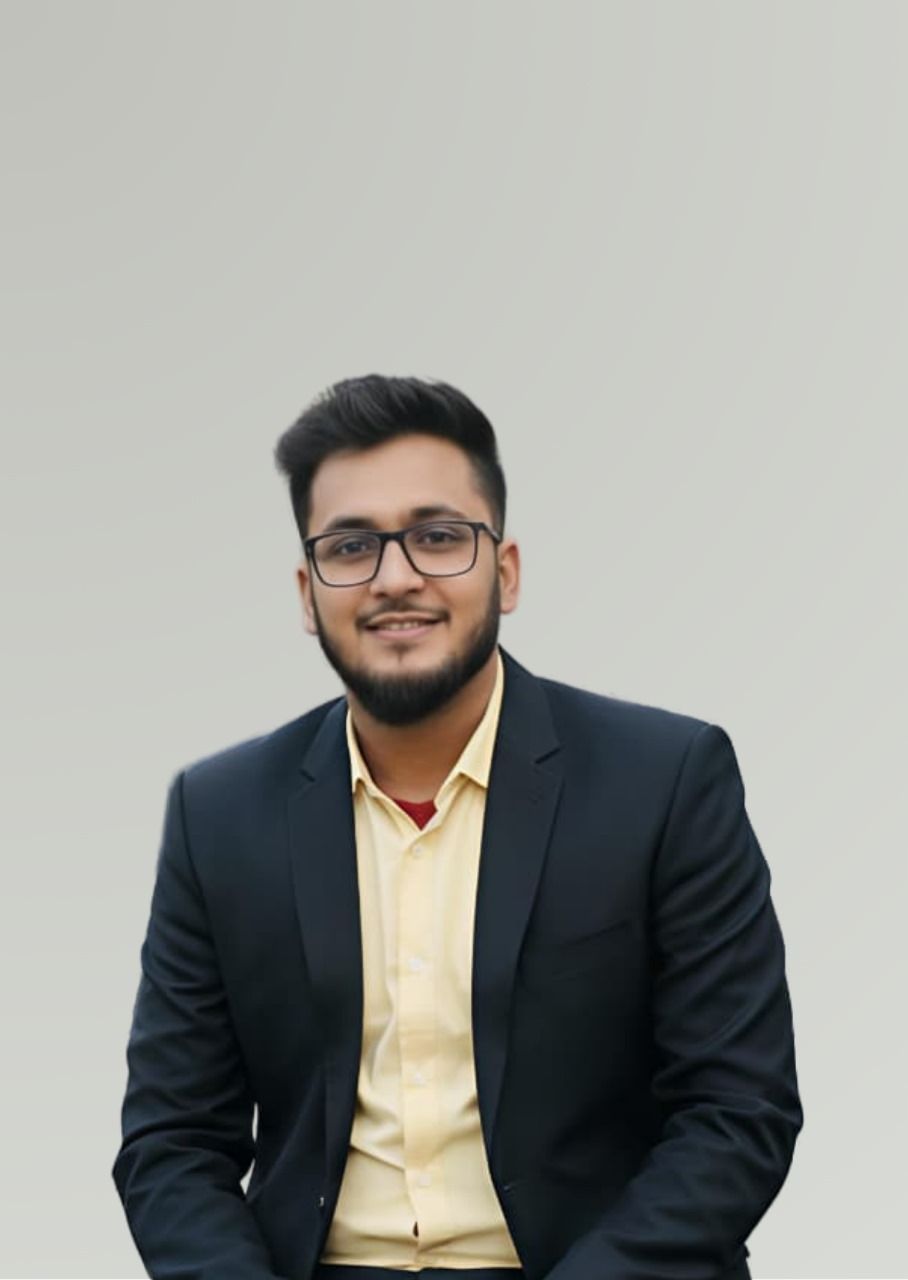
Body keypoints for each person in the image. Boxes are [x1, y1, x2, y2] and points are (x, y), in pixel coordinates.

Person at [113, 374, 802, 1280]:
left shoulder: (666, 781)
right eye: (351, 546)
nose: (395, 577)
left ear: (505, 571)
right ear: (306, 592)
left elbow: (738, 1109)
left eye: (438, 537)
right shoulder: (220, 814)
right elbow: (171, 1143)